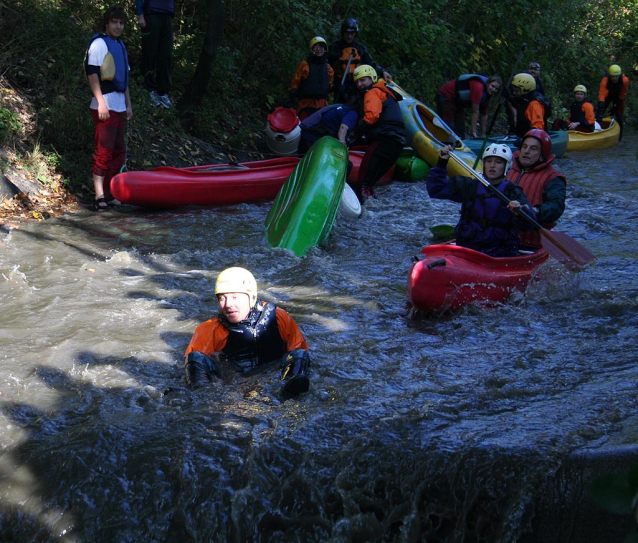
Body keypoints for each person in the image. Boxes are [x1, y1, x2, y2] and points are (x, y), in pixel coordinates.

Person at [184, 267, 311, 398]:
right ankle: (200, 396)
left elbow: (299, 350)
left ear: (251, 297)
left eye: (235, 297)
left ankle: (289, 390)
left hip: (275, 374)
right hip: (235, 383)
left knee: (299, 354)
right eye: (223, 298)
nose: (228, 304)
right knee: (195, 357)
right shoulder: (210, 329)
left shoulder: (278, 317)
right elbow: (195, 365)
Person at [426, 143, 537, 257]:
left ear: (506, 166)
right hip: (468, 249)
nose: (492, 166)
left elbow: (529, 223)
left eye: (498, 162)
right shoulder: (470, 186)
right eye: (489, 161)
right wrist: (442, 162)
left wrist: (519, 212)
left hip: (500, 253)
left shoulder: (512, 192)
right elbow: (435, 189)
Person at [85, 5, 133, 211]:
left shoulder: (120, 45)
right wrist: (102, 103)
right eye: (115, 22)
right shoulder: (99, 44)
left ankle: (110, 192)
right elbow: (92, 74)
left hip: (119, 106)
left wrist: (128, 105)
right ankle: (99, 196)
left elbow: (125, 81)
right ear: (107, 23)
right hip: (104, 105)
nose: (118, 26)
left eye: (121, 23)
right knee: (103, 152)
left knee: (118, 152)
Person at [345, 65, 406, 203]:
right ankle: (369, 194)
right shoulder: (387, 92)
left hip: (385, 138)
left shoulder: (373, 92)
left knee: (363, 180)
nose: (360, 85)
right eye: (358, 82)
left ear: (372, 78)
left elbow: (372, 116)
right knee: (371, 181)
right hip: (398, 141)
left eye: (363, 80)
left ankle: (360, 201)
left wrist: (355, 135)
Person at [507, 129, 566, 249]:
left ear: (541, 155)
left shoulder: (553, 178)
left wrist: (535, 211)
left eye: (533, 149)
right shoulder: (506, 167)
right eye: (524, 147)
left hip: (530, 243)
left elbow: (556, 206)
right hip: (502, 236)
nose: (526, 151)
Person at [328, 17, 391, 105]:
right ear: (343, 32)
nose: (349, 36)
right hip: (340, 85)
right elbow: (328, 69)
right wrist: (334, 86)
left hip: (356, 85)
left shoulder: (360, 48)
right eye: (347, 33)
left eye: (352, 33)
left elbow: (370, 64)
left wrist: (382, 71)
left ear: (355, 33)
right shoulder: (335, 48)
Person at [435, 75, 502, 139]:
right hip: (446, 95)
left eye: (496, 89)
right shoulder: (478, 87)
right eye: (492, 86)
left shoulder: (488, 95)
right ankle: (443, 143)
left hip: (457, 101)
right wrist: (474, 132)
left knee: (460, 127)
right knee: (449, 125)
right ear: (488, 84)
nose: (493, 89)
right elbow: (475, 112)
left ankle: (458, 144)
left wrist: (483, 134)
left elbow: (484, 115)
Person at [136, 0, 174, 108]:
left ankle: (163, 92)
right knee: (150, 53)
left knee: (166, 55)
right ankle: (150, 89)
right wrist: (140, 15)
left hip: (167, 15)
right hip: (152, 14)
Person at [286, 37, 334, 121]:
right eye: (316, 46)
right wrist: (291, 98)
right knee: (304, 126)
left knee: (319, 128)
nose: (318, 49)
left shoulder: (328, 68)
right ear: (311, 49)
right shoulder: (304, 65)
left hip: (322, 104)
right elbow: (295, 82)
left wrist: (336, 87)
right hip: (306, 103)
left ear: (325, 50)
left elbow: (329, 86)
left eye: (321, 47)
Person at [507, 73, 551, 138]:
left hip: (534, 140)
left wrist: (527, 140)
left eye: (516, 91)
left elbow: (538, 127)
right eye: (513, 90)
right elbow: (518, 104)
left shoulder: (534, 104)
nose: (514, 93)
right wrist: (508, 97)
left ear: (525, 90)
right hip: (523, 136)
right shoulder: (525, 99)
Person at [597, 64, 630, 140]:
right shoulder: (605, 80)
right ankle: (596, 130)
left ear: (619, 76)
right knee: (599, 113)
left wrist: (616, 104)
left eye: (616, 76)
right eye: (613, 76)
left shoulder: (625, 80)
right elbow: (602, 93)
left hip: (618, 96)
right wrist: (601, 108)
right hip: (608, 95)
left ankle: (619, 138)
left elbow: (624, 92)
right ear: (610, 75)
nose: (614, 78)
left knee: (619, 115)